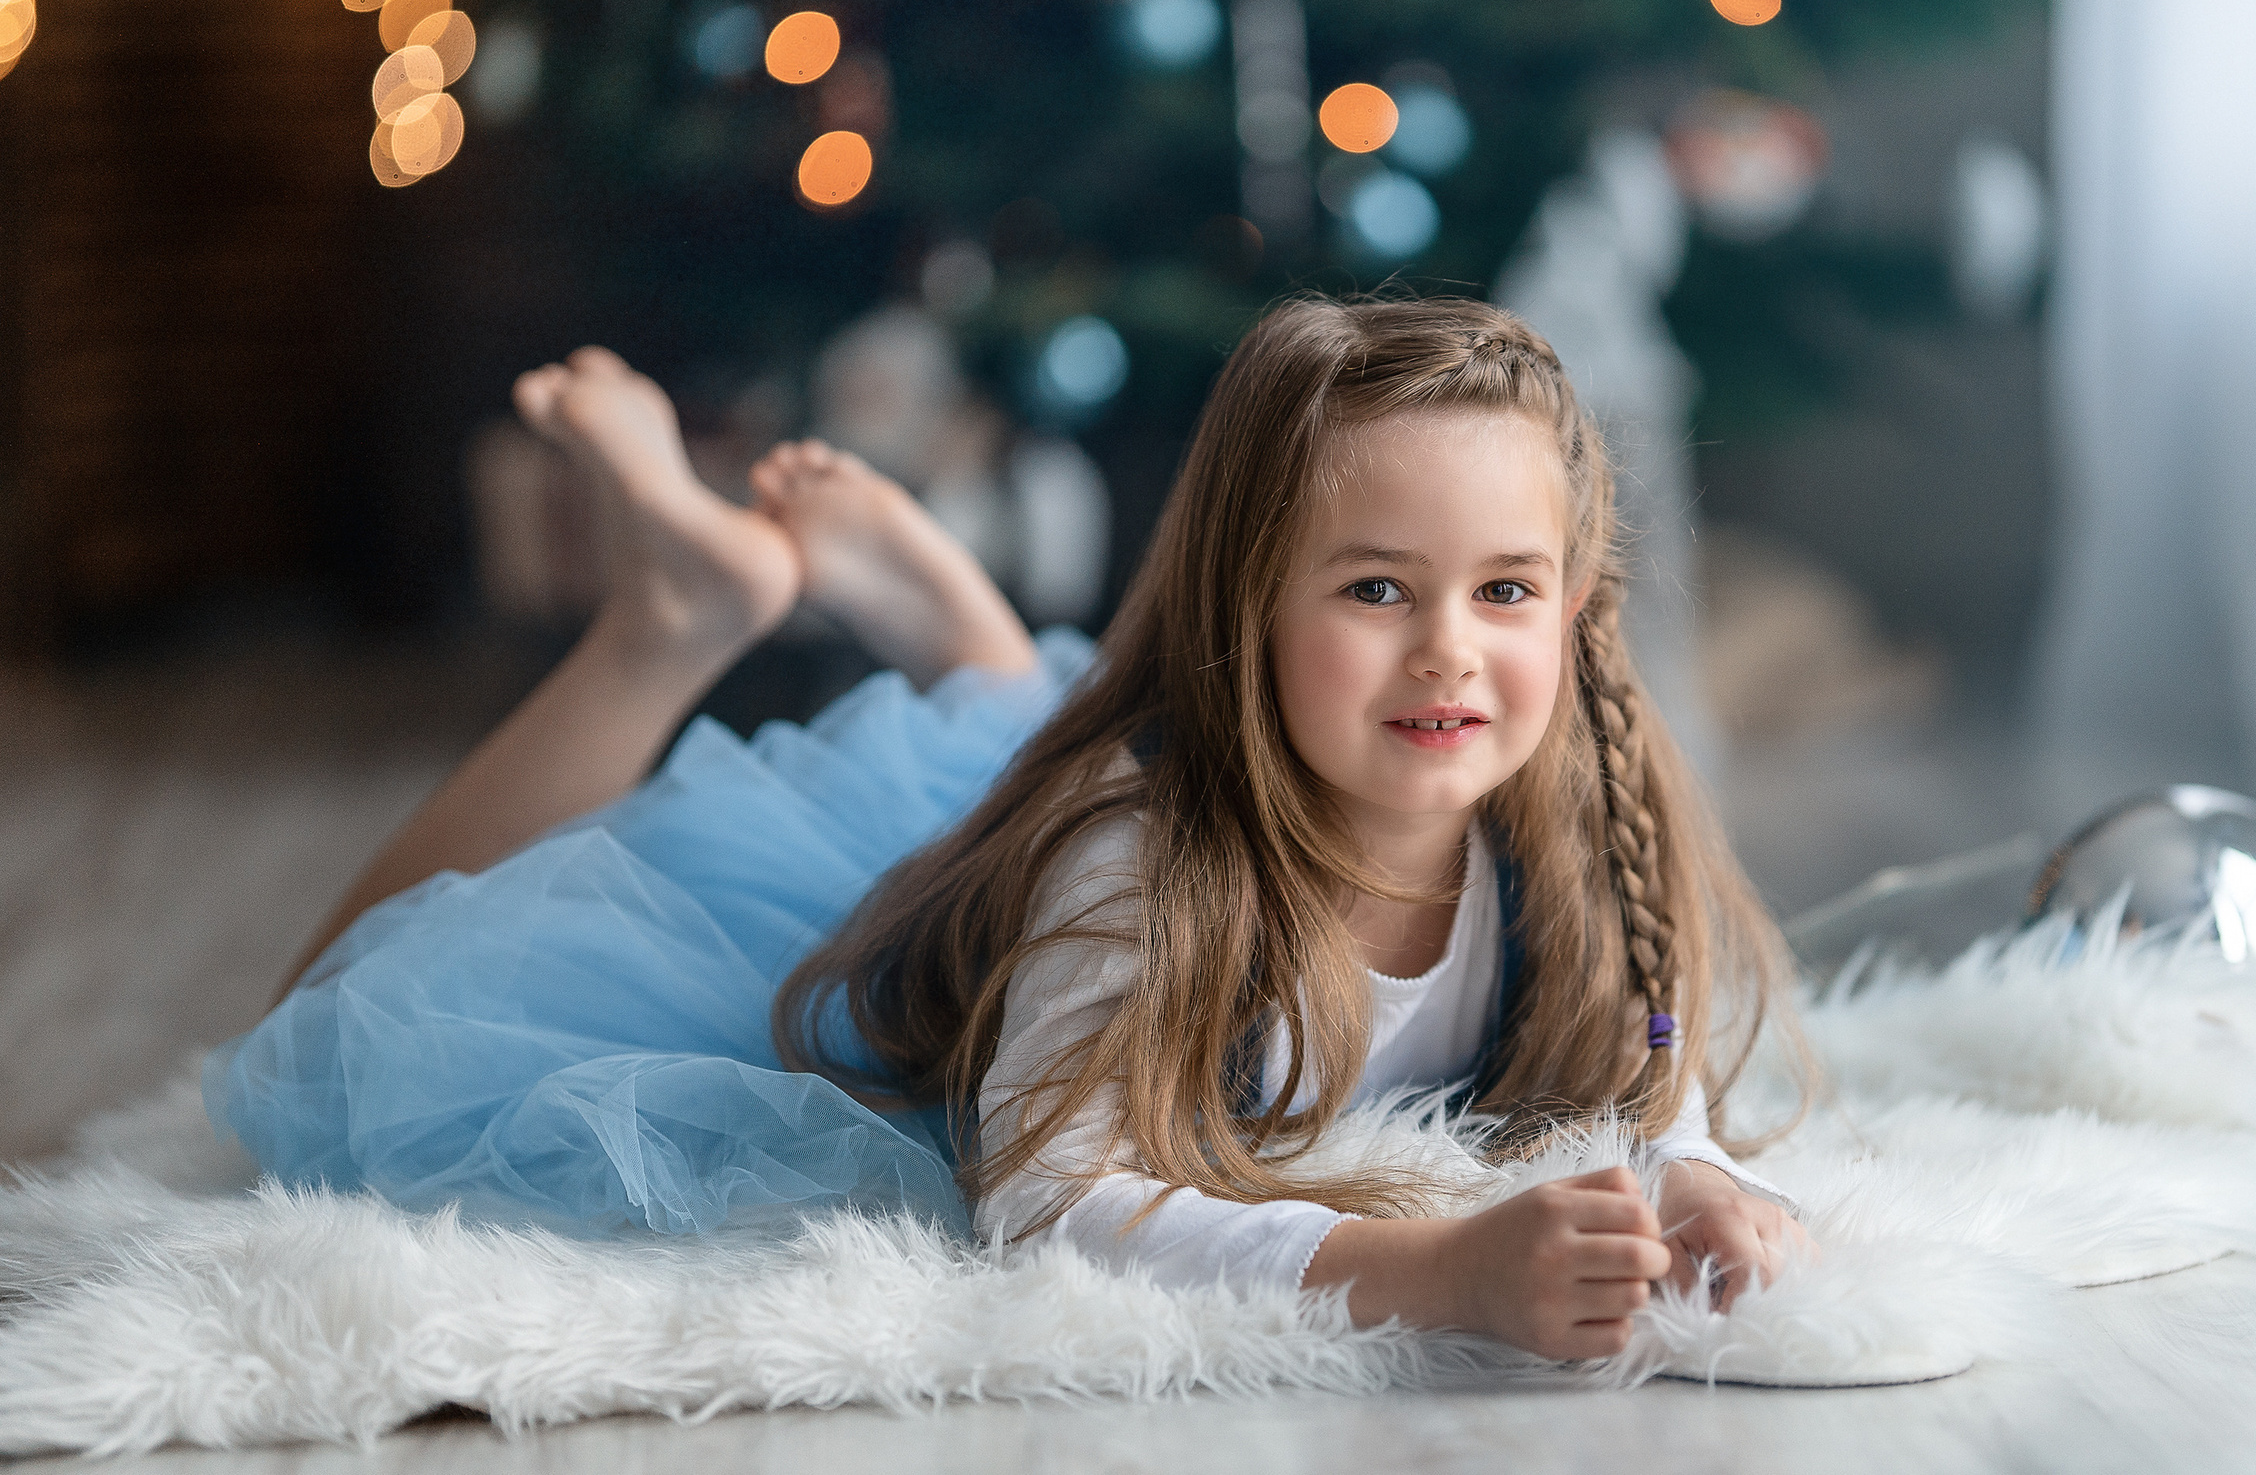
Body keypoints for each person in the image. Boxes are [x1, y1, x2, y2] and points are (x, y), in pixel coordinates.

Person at [213, 299, 1811, 1362]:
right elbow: (1051, 1202)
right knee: (352, 1007)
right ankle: (675, 618)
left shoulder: (1575, 812)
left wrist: (1691, 1180)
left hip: (1093, 797)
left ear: (1581, 610)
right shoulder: (1134, 868)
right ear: (1245, 606)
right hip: (908, 922)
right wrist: (1436, 1273)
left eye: (1506, 591)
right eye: (1377, 588)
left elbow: (1643, 1083)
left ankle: (958, 636)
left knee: (1006, 741)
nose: (1451, 651)